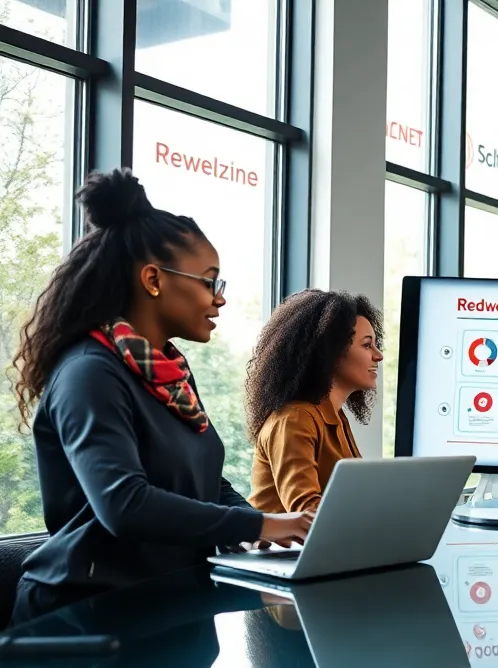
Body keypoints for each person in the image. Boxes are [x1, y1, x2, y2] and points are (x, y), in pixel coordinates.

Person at [7, 169, 310, 625]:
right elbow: (124, 504)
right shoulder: (89, 372)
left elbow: (208, 486)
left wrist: (267, 530)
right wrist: (259, 525)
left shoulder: (169, 374)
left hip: (165, 606)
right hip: (84, 617)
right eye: (210, 281)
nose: (219, 299)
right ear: (153, 279)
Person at [245, 289, 384, 513]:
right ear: (331, 352)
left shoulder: (335, 416)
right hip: (285, 548)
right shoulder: (295, 418)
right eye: (367, 345)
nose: (379, 355)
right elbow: (305, 512)